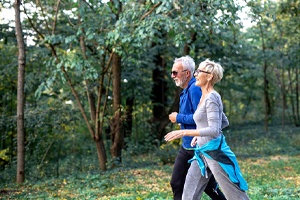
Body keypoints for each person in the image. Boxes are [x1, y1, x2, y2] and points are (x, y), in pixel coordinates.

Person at [165, 58, 249, 200]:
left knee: (235, 195)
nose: (195, 74)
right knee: (188, 194)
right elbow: (223, 121)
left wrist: (185, 132)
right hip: (201, 152)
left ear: (209, 76)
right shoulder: (204, 96)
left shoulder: (211, 97)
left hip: (214, 152)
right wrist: (200, 135)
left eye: (199, 71)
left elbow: (215, 130)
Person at [169, 56, 226, 200]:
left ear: (186, 73)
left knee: (208, 187)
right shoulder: (187, 90)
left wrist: (178, 118)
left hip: (198, 147)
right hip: (188, 146)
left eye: (175, 72)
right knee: (177, 183)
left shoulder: (195, 90)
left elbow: (201, 118)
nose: (172, 76)